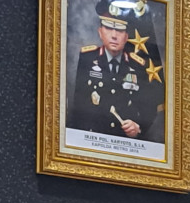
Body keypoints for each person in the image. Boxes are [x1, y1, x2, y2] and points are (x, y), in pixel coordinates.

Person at [68, 0, 160, 139]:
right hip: (92, 138)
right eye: (108, 28)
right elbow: (79, 105)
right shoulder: (87, 58)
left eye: (120, 30)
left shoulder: (138, 65)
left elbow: (148, 106)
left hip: (125, 142)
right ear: (100, 32)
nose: (114, 36)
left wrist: (138, 126)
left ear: (126, 36)